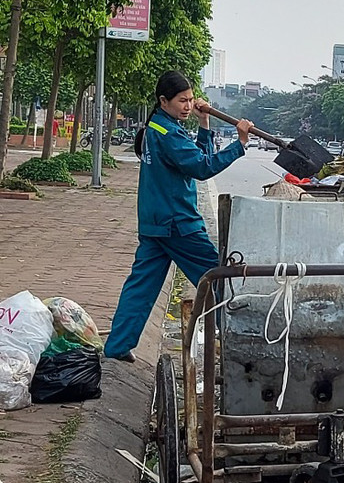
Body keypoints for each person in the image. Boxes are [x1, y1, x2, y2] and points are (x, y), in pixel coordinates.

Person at [103, 71, 254, 362]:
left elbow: (194, 157)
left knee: (141, 287)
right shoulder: (169, 134)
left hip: (155, 222)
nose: (188, 105)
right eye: (182, 101)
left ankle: (117, 346)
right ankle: (240, 348)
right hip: (177, 223)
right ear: (163, 100)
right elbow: (202, 167)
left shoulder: (157, 128)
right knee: (216, 279)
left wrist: (204, 123)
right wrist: (240, 144)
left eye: (190, 99)